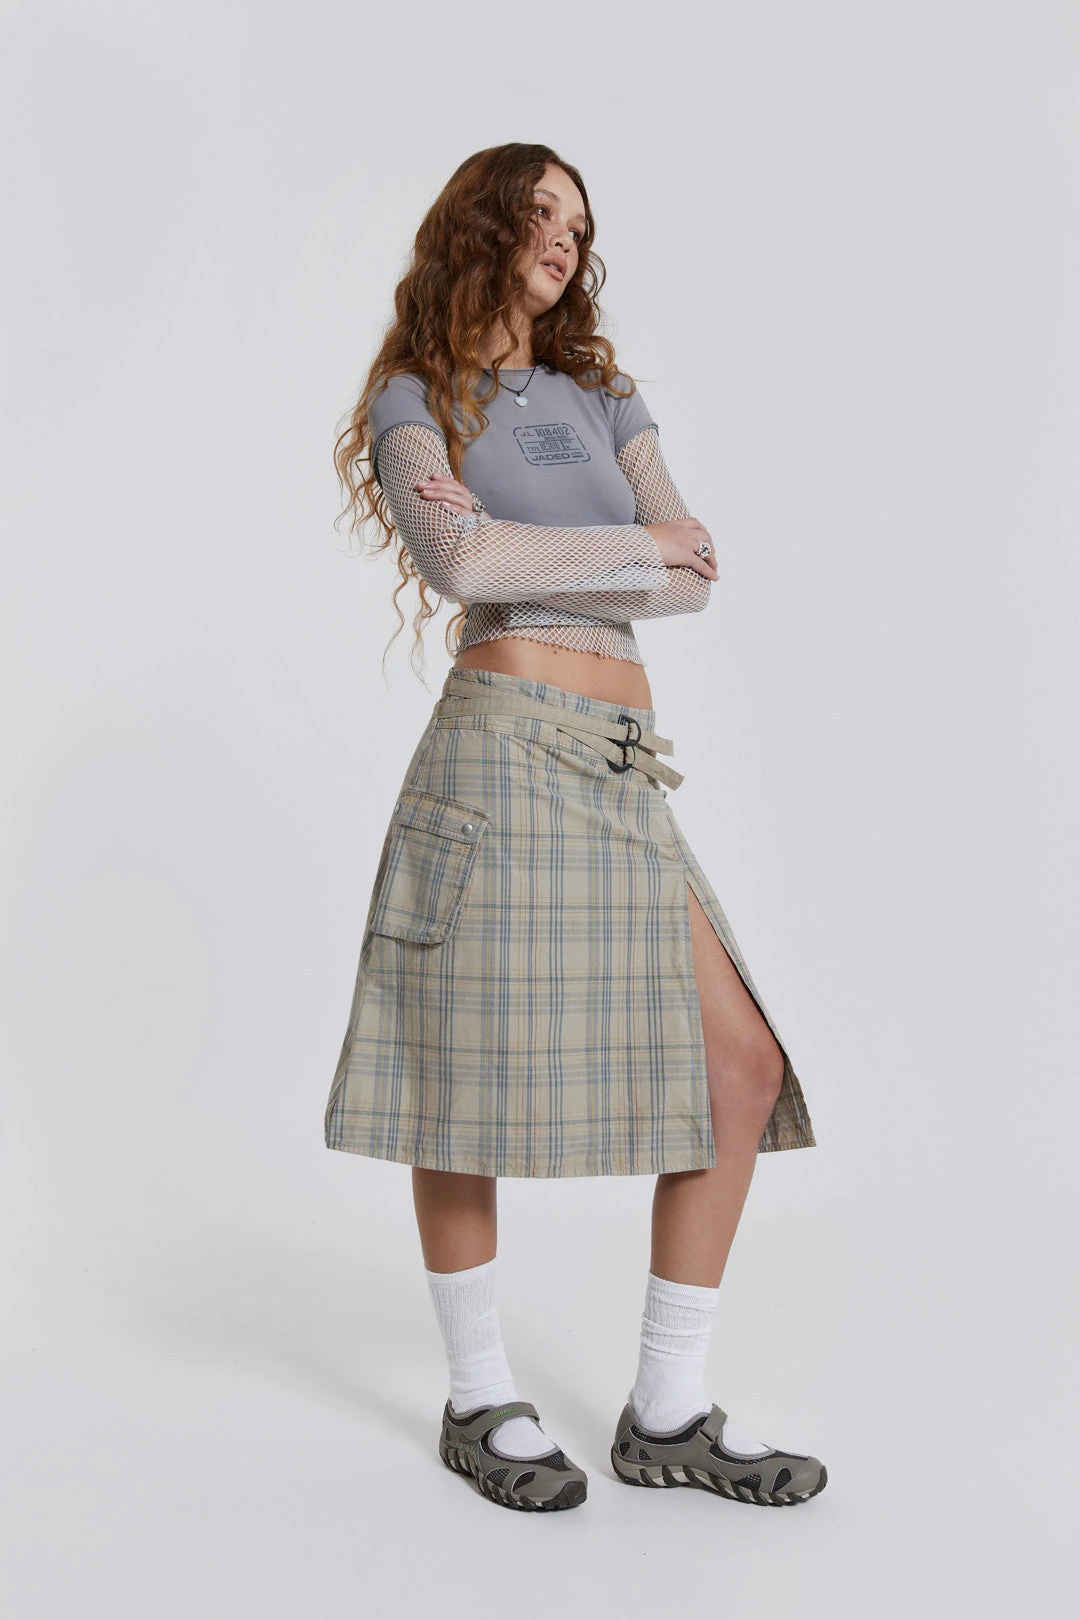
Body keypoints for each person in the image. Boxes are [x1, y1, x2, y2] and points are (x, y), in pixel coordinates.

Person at [324, 143, 826, 1513]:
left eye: (579, 224)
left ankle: (668, 1413)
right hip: (496, 751)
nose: (564, 238)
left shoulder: (605, 398)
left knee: (740, 1064)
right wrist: (635, 553)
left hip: (615, 763)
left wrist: (620, 554)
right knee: (458, 1073)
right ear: (482, 223)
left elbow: (698, 569)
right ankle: (479, 1394)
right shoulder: (416, 396)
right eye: (541, 212)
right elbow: (464, 561)